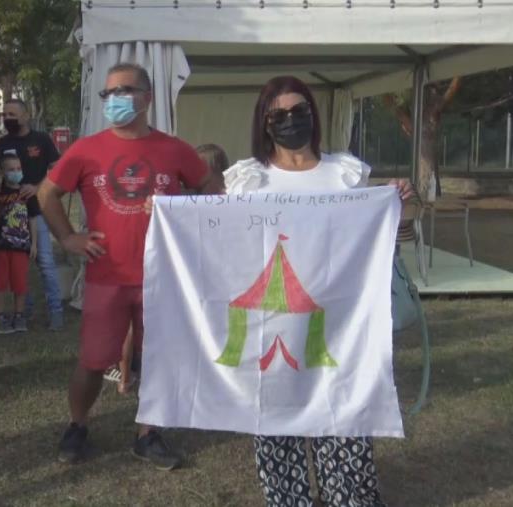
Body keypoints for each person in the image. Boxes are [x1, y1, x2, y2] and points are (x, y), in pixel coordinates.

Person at [222, 75, 412, 507]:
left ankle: (349, 498)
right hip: (272, 329)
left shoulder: (343, 174)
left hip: (340, 329)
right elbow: (226, 246)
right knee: (278, 435)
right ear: (264, 122)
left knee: (343, 423)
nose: (291, 120)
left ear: (313, 114)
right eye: (279, 114)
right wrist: (167, 213)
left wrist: (398, 201)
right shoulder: (249, 180)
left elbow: (373, 235)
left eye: (299, 110)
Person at [37, 62, 220, 470]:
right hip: (107, 276)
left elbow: (211, 188)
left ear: (148, 98)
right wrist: (68, 237)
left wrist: (183, 209)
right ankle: (77, 425)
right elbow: (47, 194)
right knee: (92, 359)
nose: (114, 99)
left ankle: (147, 434)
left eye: (124, 91)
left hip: (162, 276)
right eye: (108, 93)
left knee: (156, 358)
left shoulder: (174, 150)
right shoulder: (86, 149)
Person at [104, 141, 233, 394]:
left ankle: (129, 376)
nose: (188, 173)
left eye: (195, 167)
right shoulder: (191, 199)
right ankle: (131, 374)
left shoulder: (221, 198)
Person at [0, 99, 64, 331]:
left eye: (12, 114)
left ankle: (56, 311)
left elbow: (58, 169)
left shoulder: (41, 139)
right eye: (5, 114)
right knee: (18, 265)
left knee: (45, 262)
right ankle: (23, 311)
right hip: (10, 217)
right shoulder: (4, 142)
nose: (7, 118)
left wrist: (38, 187)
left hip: (36, 211)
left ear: (26, 115)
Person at [0, 153, 38, 334]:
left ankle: (19, 315)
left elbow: (32, 220)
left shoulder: (27, 194)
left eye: (18, 169)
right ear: (2, 172)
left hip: (21, 247)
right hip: (0, 246)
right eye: (11, 169)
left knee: (20, 283)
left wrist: (34, 244)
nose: (16, 172)